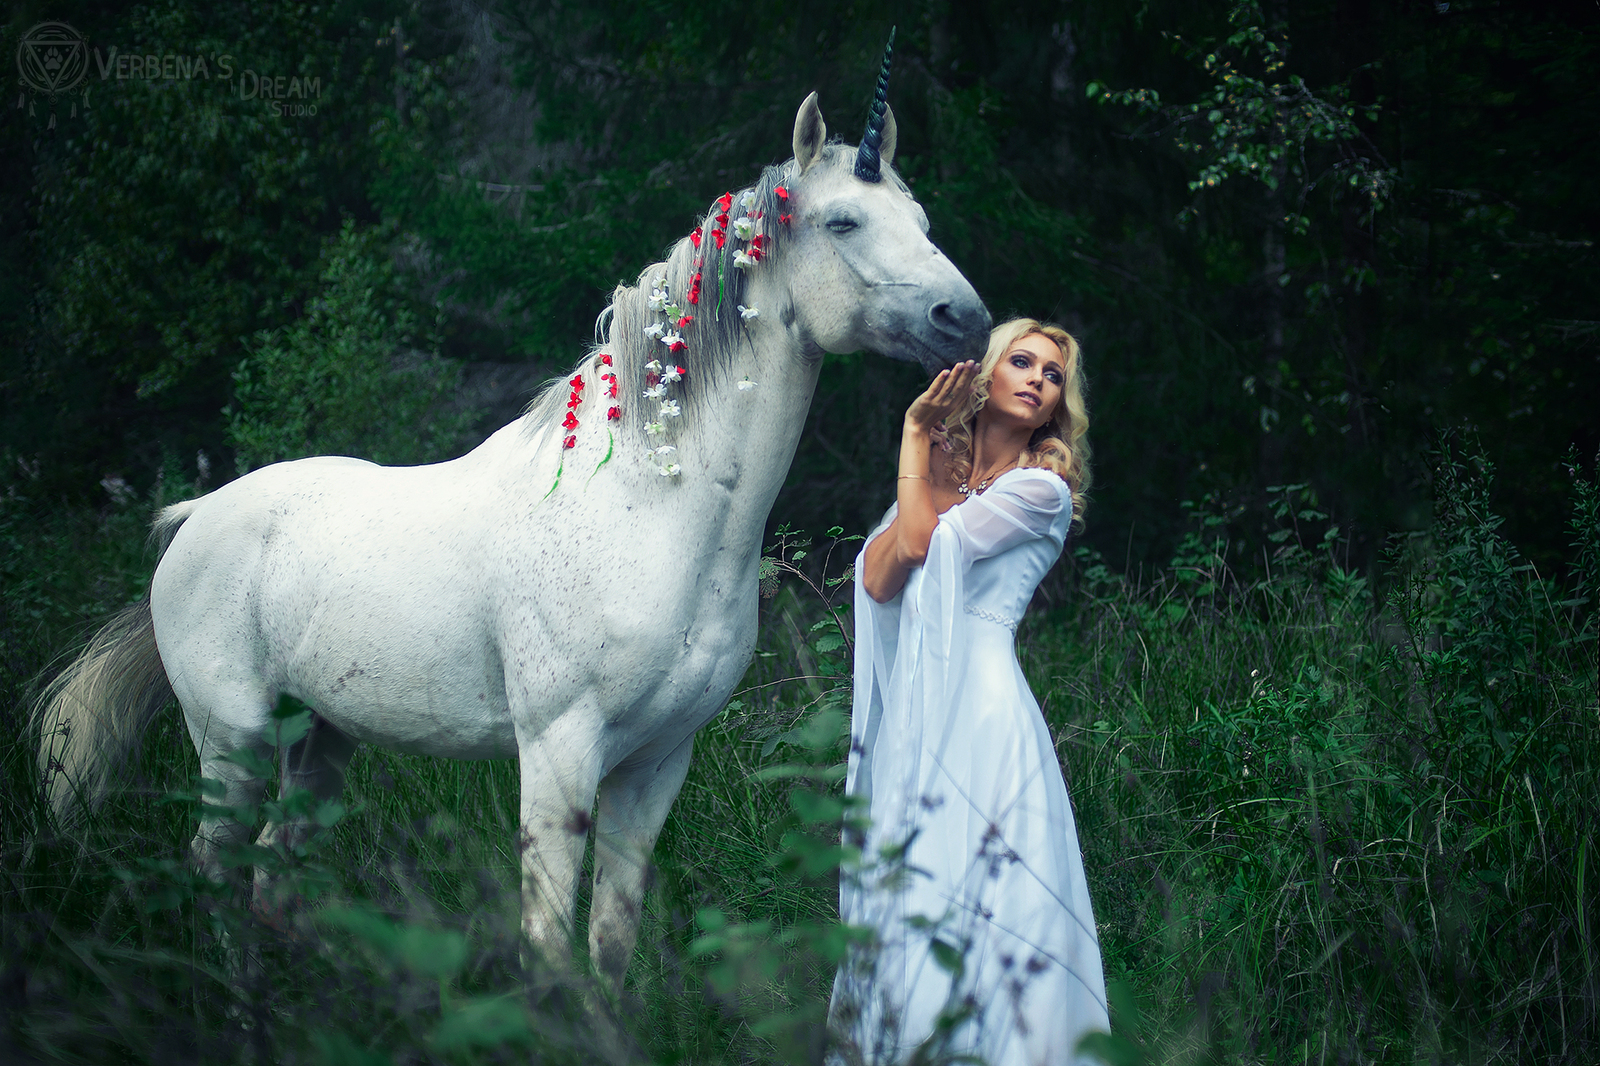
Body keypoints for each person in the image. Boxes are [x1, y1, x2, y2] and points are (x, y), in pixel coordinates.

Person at [828, 318, 1110, 1065]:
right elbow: (878, 578)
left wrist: (913, 436)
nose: (1038, 380)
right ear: (986, 374)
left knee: (996, 895)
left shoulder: (1041, 490)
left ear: (1057, 406)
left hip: (985, 710)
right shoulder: (941, 483)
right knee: (918, 880)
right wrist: (929, 467)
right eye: (1022, 361)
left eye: (1052, 375)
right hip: (922, 713)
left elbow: (919, 544)